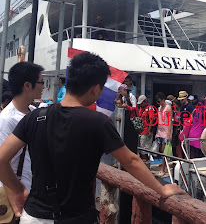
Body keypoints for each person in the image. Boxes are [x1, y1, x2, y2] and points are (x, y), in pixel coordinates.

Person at [0, 52, 183, 222]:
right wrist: (161, 189)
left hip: (34, 216)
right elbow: (131, 161)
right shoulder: (98, 122)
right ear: (95, 89)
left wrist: (17, 190)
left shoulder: (36, 116)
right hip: (76, 216)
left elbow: (1, 159)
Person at [0, 62, 44, 221]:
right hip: (18, 196)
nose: (43, 87)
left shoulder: (34, 112)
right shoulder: (7, 119)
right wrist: (16, 202)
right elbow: (3, 162)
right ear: (27, 85)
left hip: (30, 193)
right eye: (41, 82)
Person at [155, 92, 173, 177]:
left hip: (166, 131)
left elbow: (170, 122)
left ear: (163, 100)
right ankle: (164, 167)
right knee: (162, 151)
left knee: (164, 151)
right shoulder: (159, 108)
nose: (158, 103)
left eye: (159, 101)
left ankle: (163, 168)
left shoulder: (168, 108)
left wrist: (169, 134)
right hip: (160, 131)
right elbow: (159, 121)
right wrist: (157, 132)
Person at [137, 95, 156, 162]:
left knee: (144, 149)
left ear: (145, 101)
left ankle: (145, 163)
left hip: (146, 132)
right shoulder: (141, 108)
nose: (140, 104)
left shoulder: (150, 108)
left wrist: (149, 131)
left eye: (141, 103)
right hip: (140, 131)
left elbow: (151, 120)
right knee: (140, 148)